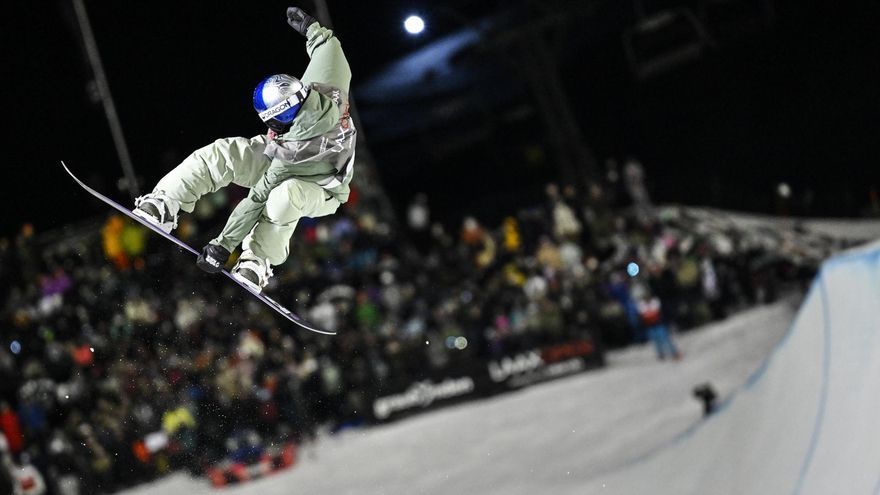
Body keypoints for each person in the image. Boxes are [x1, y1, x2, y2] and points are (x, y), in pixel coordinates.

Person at [133, 7, 355, 293]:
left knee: (282, 198)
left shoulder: (291, 151)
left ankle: (258, 259)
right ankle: (166, 203)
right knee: (224, 153)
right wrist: (311, 28)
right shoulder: (327, 86)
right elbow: (329, 46)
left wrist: (222, 247)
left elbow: (255, 202)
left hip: (322, 186)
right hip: (283, 154)